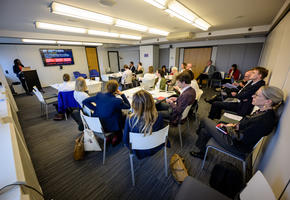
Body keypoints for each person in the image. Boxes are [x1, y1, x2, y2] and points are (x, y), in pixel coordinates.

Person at [190, 86, 284, 159]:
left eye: (257, 95)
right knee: (204, 130)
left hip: (236, 145)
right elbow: (246, 127)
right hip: (235, 136)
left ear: (268, 101)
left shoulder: (264, 120)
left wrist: (229, 127)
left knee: (204, 120)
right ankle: (202, 152)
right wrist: (234, 126)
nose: (252, 96)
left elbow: (241, 138)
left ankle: (198, 136)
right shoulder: (263, 112)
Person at [123, 90, 165, 159]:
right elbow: (161, 133)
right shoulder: (159, 116)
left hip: (137, 150)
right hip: (155, 146)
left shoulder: (130, 119)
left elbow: (125, 140)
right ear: (152, 103)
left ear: (134, 105)